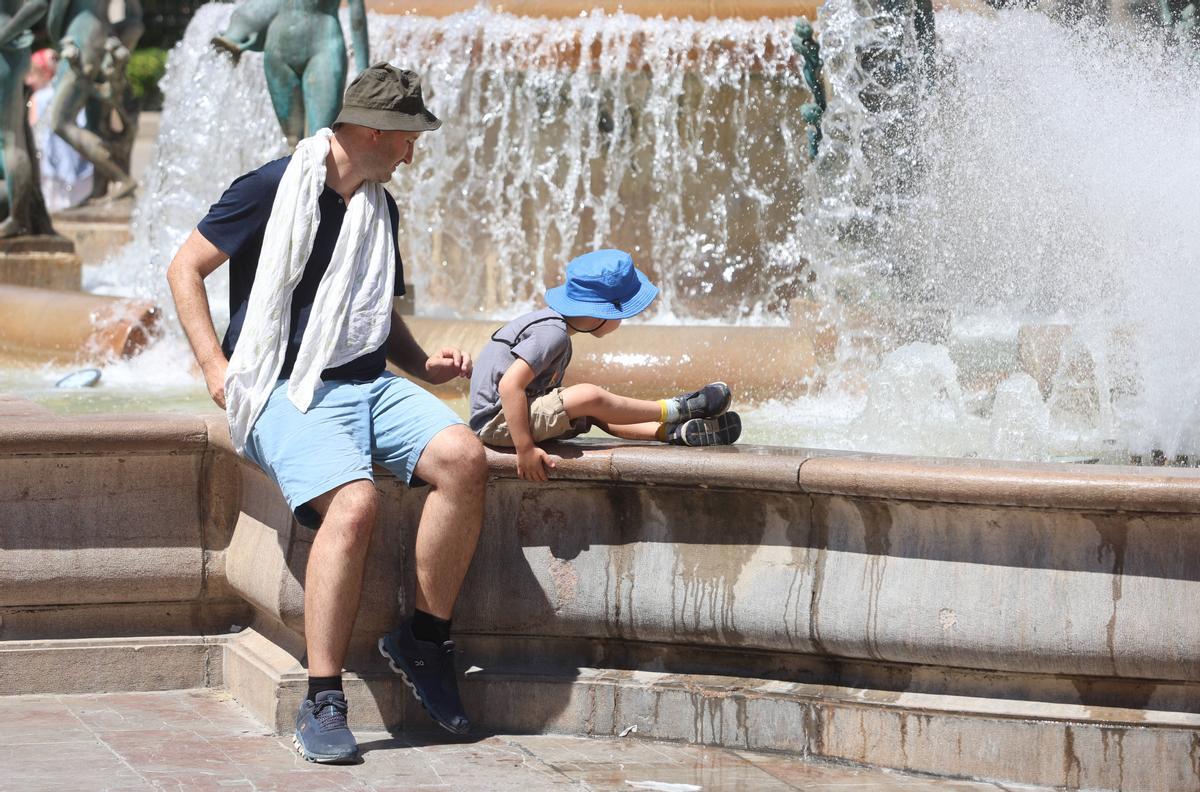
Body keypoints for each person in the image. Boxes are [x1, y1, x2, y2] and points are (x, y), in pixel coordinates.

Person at [166, 63, 486, 764]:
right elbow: (184, 268)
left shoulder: (380, 206)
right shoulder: (271, 188)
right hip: (283, 386)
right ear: (375, 132)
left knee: (464, 458)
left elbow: (378, 317)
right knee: (354, 504)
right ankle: (323, 696)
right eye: (408, 139)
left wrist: (423, 364)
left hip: (367, 381)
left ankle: (424, 641)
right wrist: (215, 368)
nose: (413, 152)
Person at [469, 249, 742, 482]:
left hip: (507, 417)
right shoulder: (553, 333)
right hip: (497, 422)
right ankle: (678, 408)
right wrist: (525, 450)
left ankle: (672, 432)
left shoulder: (553, 328)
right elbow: (508, 386)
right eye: (622, 314)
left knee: (597, 411)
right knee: (589, 396)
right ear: (602, 312)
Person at [26, 48, 92, 211]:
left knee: (52, 202)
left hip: (50, 159)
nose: (28, 81)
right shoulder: (70, 93)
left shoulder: (37, 97)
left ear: (44, 74)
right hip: (75, 155)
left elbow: (33, 129)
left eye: (32, 75)